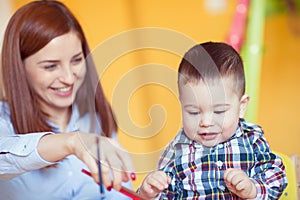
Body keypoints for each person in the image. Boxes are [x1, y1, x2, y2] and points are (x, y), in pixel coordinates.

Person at [0, 1, 135, 199]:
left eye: (76, 60)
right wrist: (71, 142)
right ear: (20, 69)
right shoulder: (4, 121)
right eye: (51, 66)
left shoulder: (95, 119)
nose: (69, 78)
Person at [139, 42, 288, 199]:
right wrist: (148, 194)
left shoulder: (252, 139)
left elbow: (277, 177)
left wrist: (253, 189)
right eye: (194, 112)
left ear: (241, 106)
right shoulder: (177, 149)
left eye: (219, 111)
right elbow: (165, 193)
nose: (206, 122)